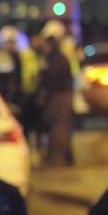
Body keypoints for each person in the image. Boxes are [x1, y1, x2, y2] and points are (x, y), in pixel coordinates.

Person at [0, 26, 40, 136]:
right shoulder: (0, 56)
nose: (11, 44)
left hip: (19, 99)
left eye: (13, 41)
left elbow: (19, 78)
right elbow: (1, 81)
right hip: (4, 100)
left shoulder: (19, 56)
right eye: (9, 42)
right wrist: (7, 101)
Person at [38, 25, 76, 167]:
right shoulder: (56, 58)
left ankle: (60, 157)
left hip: (59, 98)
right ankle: (63, 156)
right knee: (59, 127)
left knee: (59, 127)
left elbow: (52, 79)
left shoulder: (55, 59)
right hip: (59, 97)